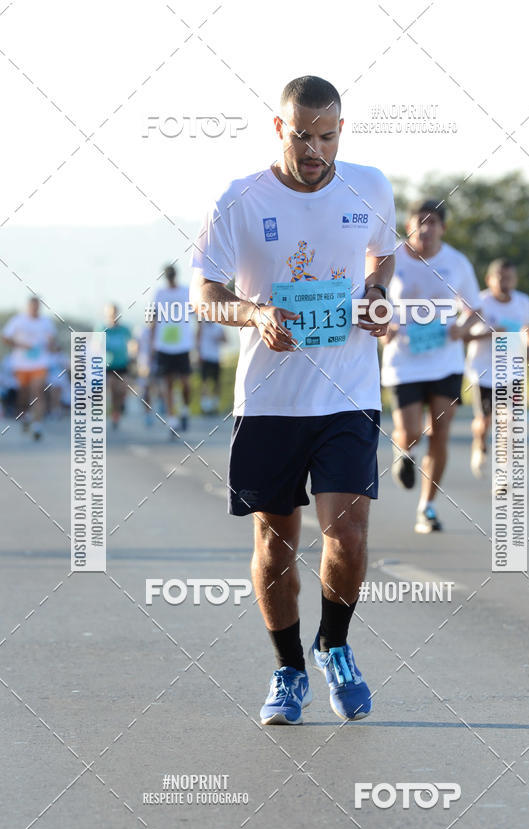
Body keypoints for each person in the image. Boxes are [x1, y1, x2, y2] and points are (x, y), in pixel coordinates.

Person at [190, 75, 396, 725]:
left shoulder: (371, 185)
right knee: (276, 544)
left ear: (342, 132)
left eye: (328, 136)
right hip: (270, 400)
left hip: (349, 392)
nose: (315, 150)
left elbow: (382, 258)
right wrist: (253, 315)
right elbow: (205, 294)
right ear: (279, 128)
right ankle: (288, 670)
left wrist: (376, 295)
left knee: (349, 532)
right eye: (303, 136)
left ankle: (334, 645)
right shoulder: (239, 200)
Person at [380, 200, 481, 533]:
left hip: (445, 361)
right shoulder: (389, 257)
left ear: (443, 228)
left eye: (433, 221)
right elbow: (371, 299)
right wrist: (384, 326)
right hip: (404, 359)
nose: (425, 228)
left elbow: (475, 310)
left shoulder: (456, 262)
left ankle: (428, 506)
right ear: (408, 225)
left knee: (440, 433)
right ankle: (404, 452)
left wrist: (463, 329)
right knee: (409, 431)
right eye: (419, 221)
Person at [465, 259, 529, 476]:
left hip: (512, 370)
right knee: (484, 421)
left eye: (510, 278)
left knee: (510, 420)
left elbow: (528, 329)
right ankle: (479, 443)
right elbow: (462, 336)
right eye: (501, 277)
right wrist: (491, 332)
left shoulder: (523, 302)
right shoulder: (480, 303)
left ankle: (503, 472)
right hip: (484, 371)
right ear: (489, 279)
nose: (505, 282)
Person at [2, 296, 57, 440]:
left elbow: (52, 341)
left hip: (40, 363)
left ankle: (37, 425)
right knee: (24, 394)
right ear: (28, 307)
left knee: (38, 390)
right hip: (21, 364)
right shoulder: (18, 321)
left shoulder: (46, 322)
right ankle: (25, 416)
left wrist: (51, 345)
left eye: (37, 306)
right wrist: (20, 345)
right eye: (32, 306)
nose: (34, 309)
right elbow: (5, 337)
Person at [152, 265, 194, 435]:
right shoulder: (159, 294)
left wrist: (196, 341)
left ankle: (184, 410)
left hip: (182, 345)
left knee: (185, 383)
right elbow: (153, 318)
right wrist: (152, 344)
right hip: (164, 345)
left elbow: (196, 314)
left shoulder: (186, 291)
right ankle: (172, 419)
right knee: (167, 383)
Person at [104, 304, 132, 429]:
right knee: (111, 389)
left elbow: (132, 343)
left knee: (121, 390)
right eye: (111, 313)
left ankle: (118, 409)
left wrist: (133, 355)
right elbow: (96, 345)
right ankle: (114, 414)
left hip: (122, 364)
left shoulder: (124, 329)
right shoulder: (102, 328)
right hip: (108, 365)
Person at [196, 319, 226, 413]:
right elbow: (197, 339)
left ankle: (214, 405)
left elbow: (225, 339)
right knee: (204, 382)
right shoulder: (202, 326)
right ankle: (205, 406)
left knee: (216, 382)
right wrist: (198, 354)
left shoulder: (218, 326)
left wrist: (218, 337)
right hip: (205, 357)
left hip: (215, 358)